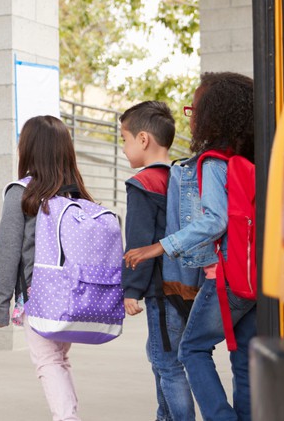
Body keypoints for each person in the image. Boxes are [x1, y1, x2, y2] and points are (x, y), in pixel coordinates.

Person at [124, 72, 257, 421]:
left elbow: (215, 221)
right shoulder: (251, 159)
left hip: (228, 276)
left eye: (194, 109)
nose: (191, 117)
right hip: (256, 275)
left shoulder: (213, 162)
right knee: (243, 356)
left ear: (214, 114)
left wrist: (158, 248)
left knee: (192, 348)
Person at [0, 115, 94, 421]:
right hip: (74, 293)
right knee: (58, 359)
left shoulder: (21, 192)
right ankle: (68, 414)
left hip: (40, 296)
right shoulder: (76, 193)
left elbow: (7, 252)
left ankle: (66, 418)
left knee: (47, 361)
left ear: (28, 149)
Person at [119, 101, 196, 421]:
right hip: (189, 284)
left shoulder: (143, 184)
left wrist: (131, 290)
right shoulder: (185, 178)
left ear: (143, 139)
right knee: (162, 357)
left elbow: (139, 242)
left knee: (167, 363)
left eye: (124, 139)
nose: (123, 147)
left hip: (160, 289)